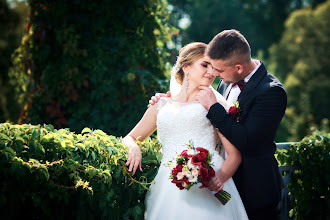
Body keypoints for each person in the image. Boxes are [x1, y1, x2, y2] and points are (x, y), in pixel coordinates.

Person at [122, 42, 248, 219]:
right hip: (167, 187)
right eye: (204, 65)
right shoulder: (161, 104)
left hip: (208, 186)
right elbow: (130, 137)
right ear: (186, 67)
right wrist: (134, 148)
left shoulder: (214, 105)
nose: (211, 73)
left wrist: (218, 179)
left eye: (213, 68)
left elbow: (234, 155)